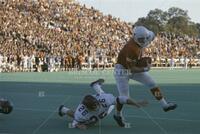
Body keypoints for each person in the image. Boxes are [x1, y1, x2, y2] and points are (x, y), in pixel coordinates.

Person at [114, 26, 177, 127]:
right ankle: (118, 115)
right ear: (134, 37)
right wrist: (145, 69)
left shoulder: (147, 36)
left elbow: (153, 34)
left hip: (132, 66)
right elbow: (131, 69)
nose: (143, 41)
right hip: (122, 70)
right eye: (140, 39)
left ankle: (164, 105)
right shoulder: (132, 48)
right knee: (124, 97)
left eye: (145, 38)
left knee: (152, 83)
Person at [58, 79, 148, 129]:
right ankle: (63, 109)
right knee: (78, 117)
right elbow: (76, 122)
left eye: (96, 104)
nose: (97, 107)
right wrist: (78, 125)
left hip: (102, 103)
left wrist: (136, 103)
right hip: (87, 115)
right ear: (87, 108)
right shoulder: (81, 114)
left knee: (111, 103)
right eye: (93, 107)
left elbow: (121, 99)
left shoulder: (104, 100)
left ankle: (95, 86)